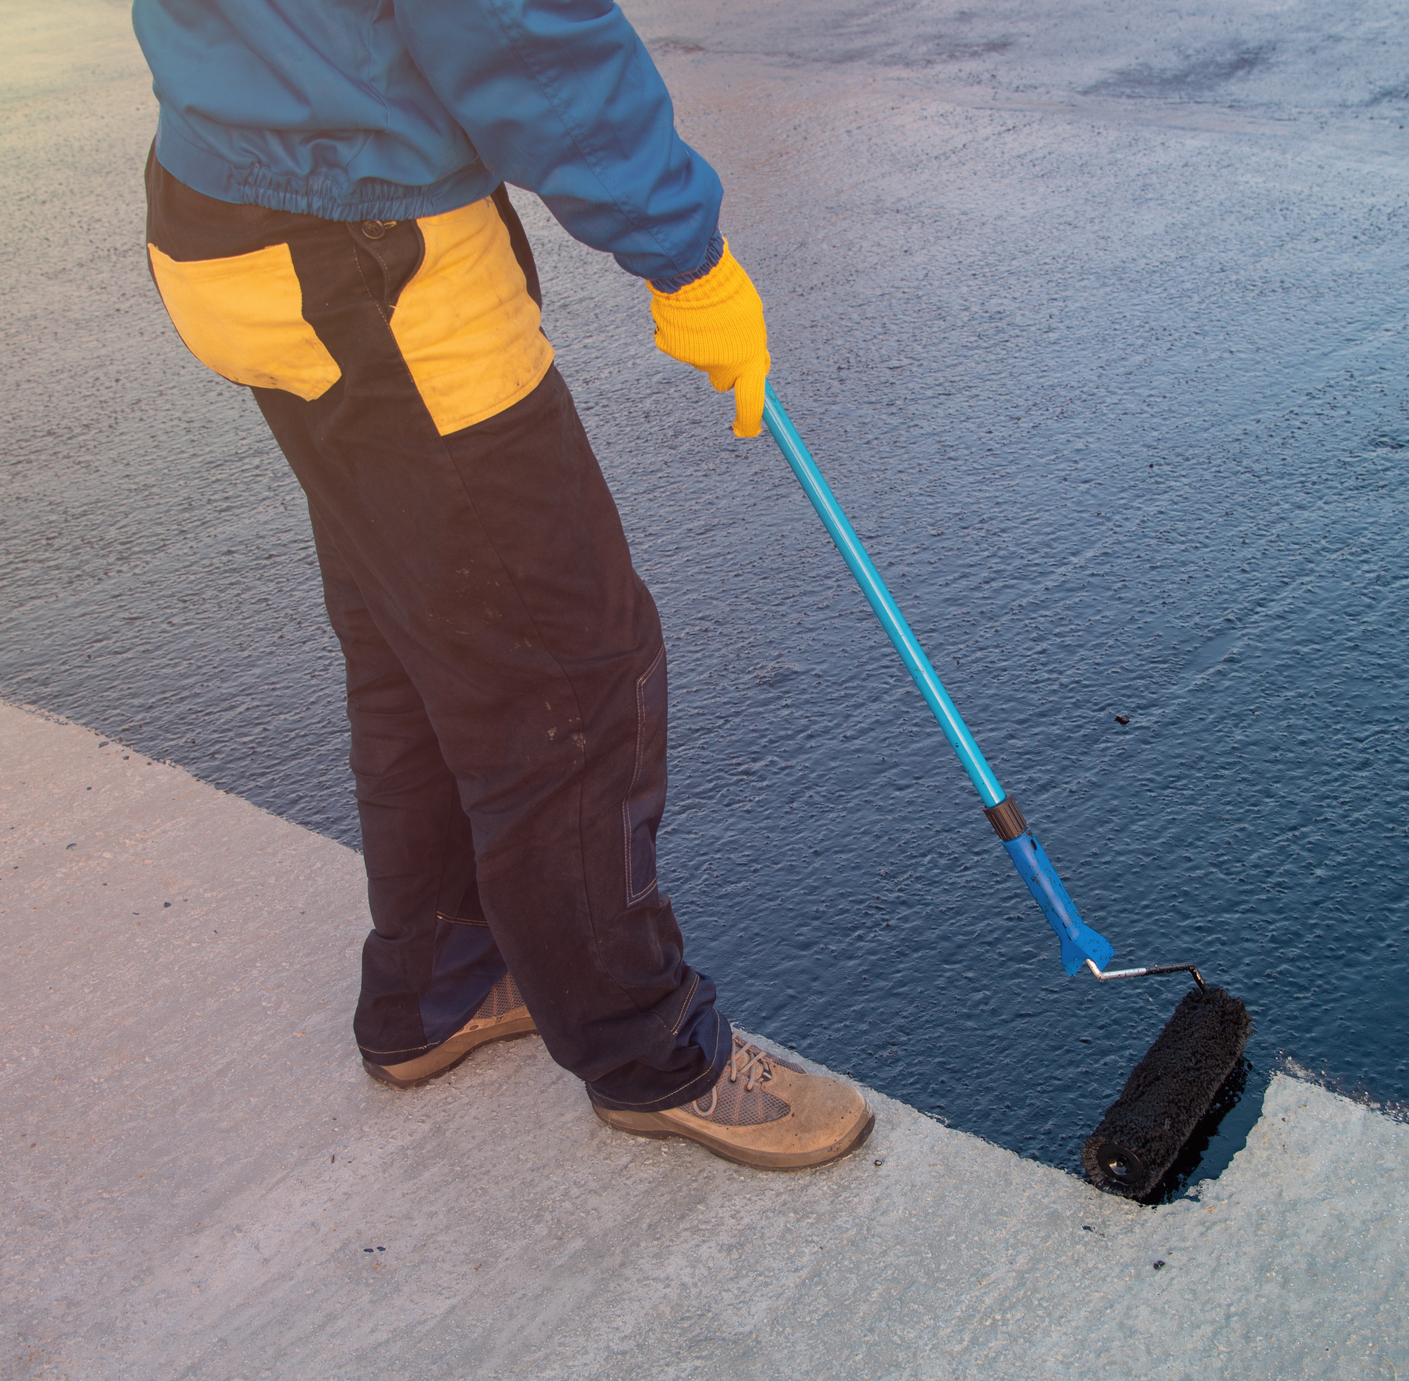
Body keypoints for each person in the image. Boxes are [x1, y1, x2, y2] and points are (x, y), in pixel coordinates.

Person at [131, 0, 872, 1169]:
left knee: (417, 644)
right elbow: (519, 28)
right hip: (375, 256)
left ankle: (441, 985)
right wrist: (685, 253)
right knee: (568, 682)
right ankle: (645, 1050)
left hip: (235, 213)